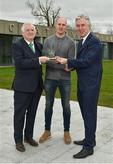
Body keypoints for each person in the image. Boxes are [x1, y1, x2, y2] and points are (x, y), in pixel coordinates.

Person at [56, 15, 103, 158]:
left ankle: (89, 147)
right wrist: (71, 67)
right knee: (86, 114)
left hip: (90, 86)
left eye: (83, 25)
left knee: (89, 114)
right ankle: (90, 139)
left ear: (89, 26)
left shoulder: (94, 42)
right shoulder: (82, 42)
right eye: (78, 25)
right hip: (83, 84)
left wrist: (67, 61)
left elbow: (87, 61)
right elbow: (82, 62)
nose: (80, 28)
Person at [12, 23, 49, 152]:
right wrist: (38, 60)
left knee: (32, 114)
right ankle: (18, 140)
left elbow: (48, 55)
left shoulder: (38, 45)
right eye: (27, 30)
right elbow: (20, 63)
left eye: (32, 30)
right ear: (22, 33)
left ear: (35, 31)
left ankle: (28, 137)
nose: (30, 31)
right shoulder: (17, 45)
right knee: (19, 115)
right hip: (22, 87)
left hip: (37, 87)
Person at [39, 17, 75, 144]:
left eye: (63, 24)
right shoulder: (48, 40)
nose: (61, 26)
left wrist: (64, 63)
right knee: (48, 105)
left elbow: (70, 63)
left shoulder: (71, 42)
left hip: (65, 79)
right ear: (56, 25)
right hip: (50, 78)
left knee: (66, 105)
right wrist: (58, 61)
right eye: (59, 24)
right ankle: (47, 131)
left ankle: (66, 131)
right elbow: (45, 60)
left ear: (66, 26)